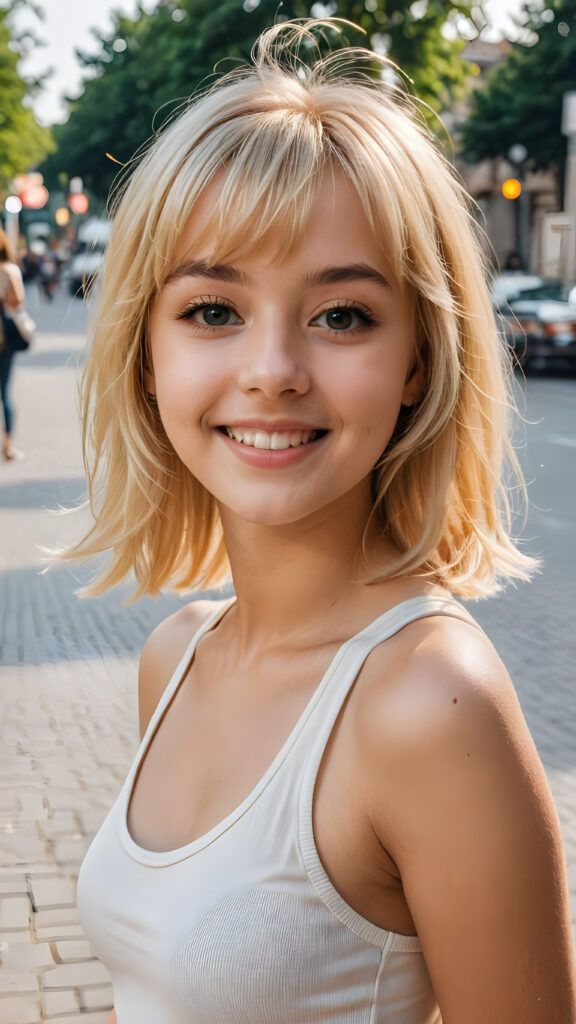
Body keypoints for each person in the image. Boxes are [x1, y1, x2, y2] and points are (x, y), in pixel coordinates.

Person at [62, 21, 575, 1024]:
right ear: (145, 349)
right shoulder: (176, 655)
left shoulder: (432, 705)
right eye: (213, 309)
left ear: (419, 359)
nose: (272, 370)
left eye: (342, 315)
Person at [0, 227, 25, 460]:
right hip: (3, 339)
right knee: (4, 393)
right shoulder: (9, 271)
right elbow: (17, 301)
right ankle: (7, 446)